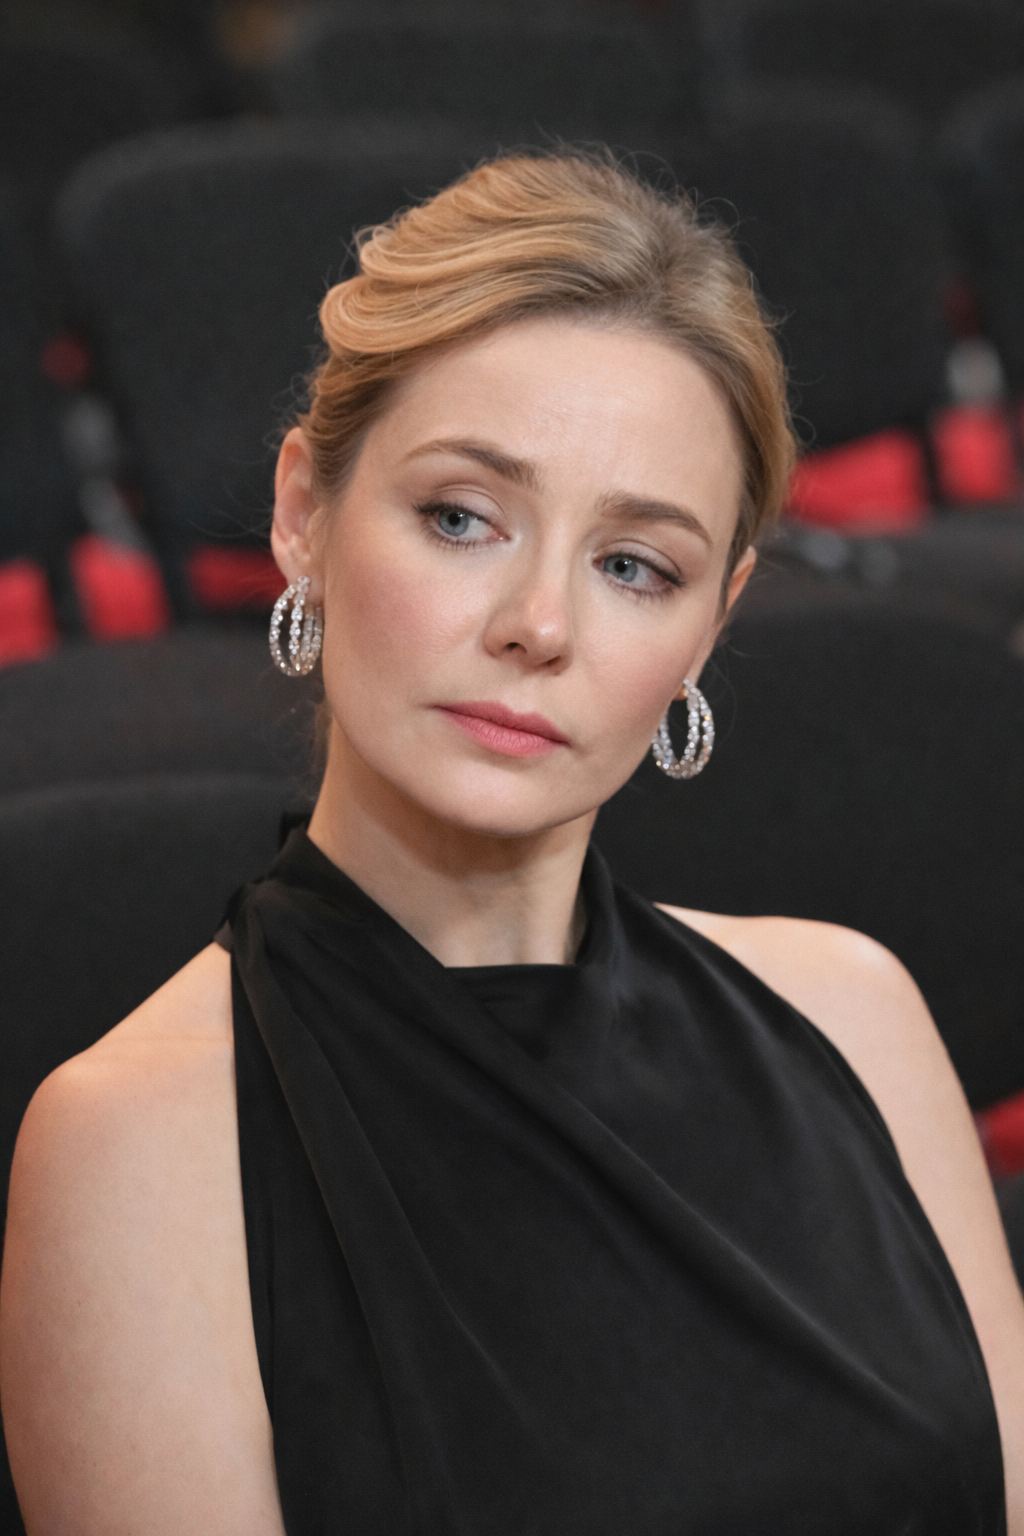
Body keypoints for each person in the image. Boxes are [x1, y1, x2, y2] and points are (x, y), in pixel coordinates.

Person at [2, 149, 1022, 1535]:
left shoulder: (855, 1015)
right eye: (462, 518)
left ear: (712, 624)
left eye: (634, 566)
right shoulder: (134, 1147)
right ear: (305, 513)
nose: (540, 624)